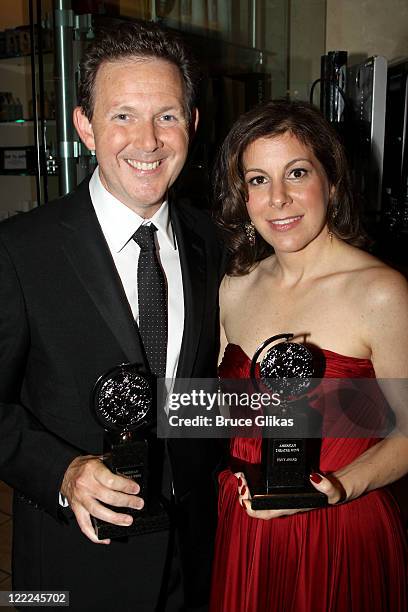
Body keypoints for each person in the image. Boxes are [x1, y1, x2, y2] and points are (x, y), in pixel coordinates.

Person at [0, 21, 223, 612]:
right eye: (122, 115)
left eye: (168, 116)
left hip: (196, 550)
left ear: (192, 125)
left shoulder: (214, 241)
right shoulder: (19, 250)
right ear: (85, 127)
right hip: (71, 559)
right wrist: (64, 472)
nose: (147, 140)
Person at [210, 100, 408, 611]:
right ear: (242, 195)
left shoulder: (381, 292)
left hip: (340, 530)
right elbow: (217, 410)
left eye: (297, 173)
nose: (278, 198)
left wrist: (339, 487)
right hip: (245, 526)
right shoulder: (234, 287)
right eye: (257, 180)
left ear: (332, 180)